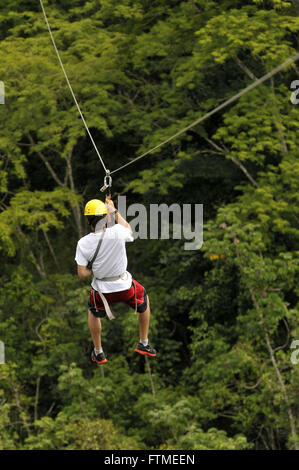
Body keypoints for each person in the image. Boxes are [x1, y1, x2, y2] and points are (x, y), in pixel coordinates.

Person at [75, 197, 156, 365]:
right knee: (144, 299)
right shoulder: (118, 232)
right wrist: (114, 211)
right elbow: (130, 230)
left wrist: (95, 269)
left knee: (93, 311)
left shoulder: (83, 243)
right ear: (105, 218)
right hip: (124, 286)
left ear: (88, 219)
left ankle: (98, 351)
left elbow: (82, 273)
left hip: (101, 292)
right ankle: (144, 342)